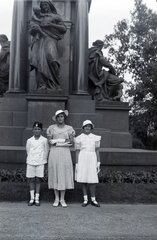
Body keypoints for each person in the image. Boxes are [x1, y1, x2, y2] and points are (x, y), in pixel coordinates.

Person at [29, 0, 67, 91]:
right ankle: (42, 84)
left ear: (50, 5)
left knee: (52, 58)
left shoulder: (55, 16)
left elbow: (64, 29)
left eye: (46, 4)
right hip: (39, 39)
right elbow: (31, 30)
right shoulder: (38, 17)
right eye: (42, 5)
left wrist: (51, 25)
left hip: (50, 38)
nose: (44, 6)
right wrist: (35, 29)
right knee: (39, 61)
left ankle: (55, 83)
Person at [47, 110, 75, 207]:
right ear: (56, 118)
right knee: (55, 172)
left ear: (64, 117)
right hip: (54, 153)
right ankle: (56, 198)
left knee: (63, 173)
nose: (60, 118)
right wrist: (63, 141)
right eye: (58, 116)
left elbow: (71, 142)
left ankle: (62, 199)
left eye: (61, 116)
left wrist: (58, 142)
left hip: (65, 153)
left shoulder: (69, 128)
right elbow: (49, 141)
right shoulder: (51, 128)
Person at [74, 120, 101, 207]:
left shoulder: (95, 138)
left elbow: (97, 150)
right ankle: (85, 199)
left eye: (89, 126)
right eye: (86, 126)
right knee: (83, 179)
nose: (87, 128)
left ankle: (93, 199)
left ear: (91, 128)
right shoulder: (79, 138)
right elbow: (77, 151)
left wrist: (98, 162)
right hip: (82, 158)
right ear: (83, 127)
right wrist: (77, 163)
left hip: (92, 157)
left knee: (92, 180)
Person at [26, 121, 49, 206]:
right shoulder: (29, 140)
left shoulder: (44, 140)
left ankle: (37, 198)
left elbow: (46, 151)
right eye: (35, 129)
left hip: (40, 161)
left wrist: (43, 160)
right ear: (33, 130)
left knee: (38, 180)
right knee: (31, 180)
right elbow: (28, 151)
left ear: (41, 130)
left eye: (39, 129)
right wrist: (31, 158)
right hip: (31, 161)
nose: (37, 131)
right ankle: (32, 198)